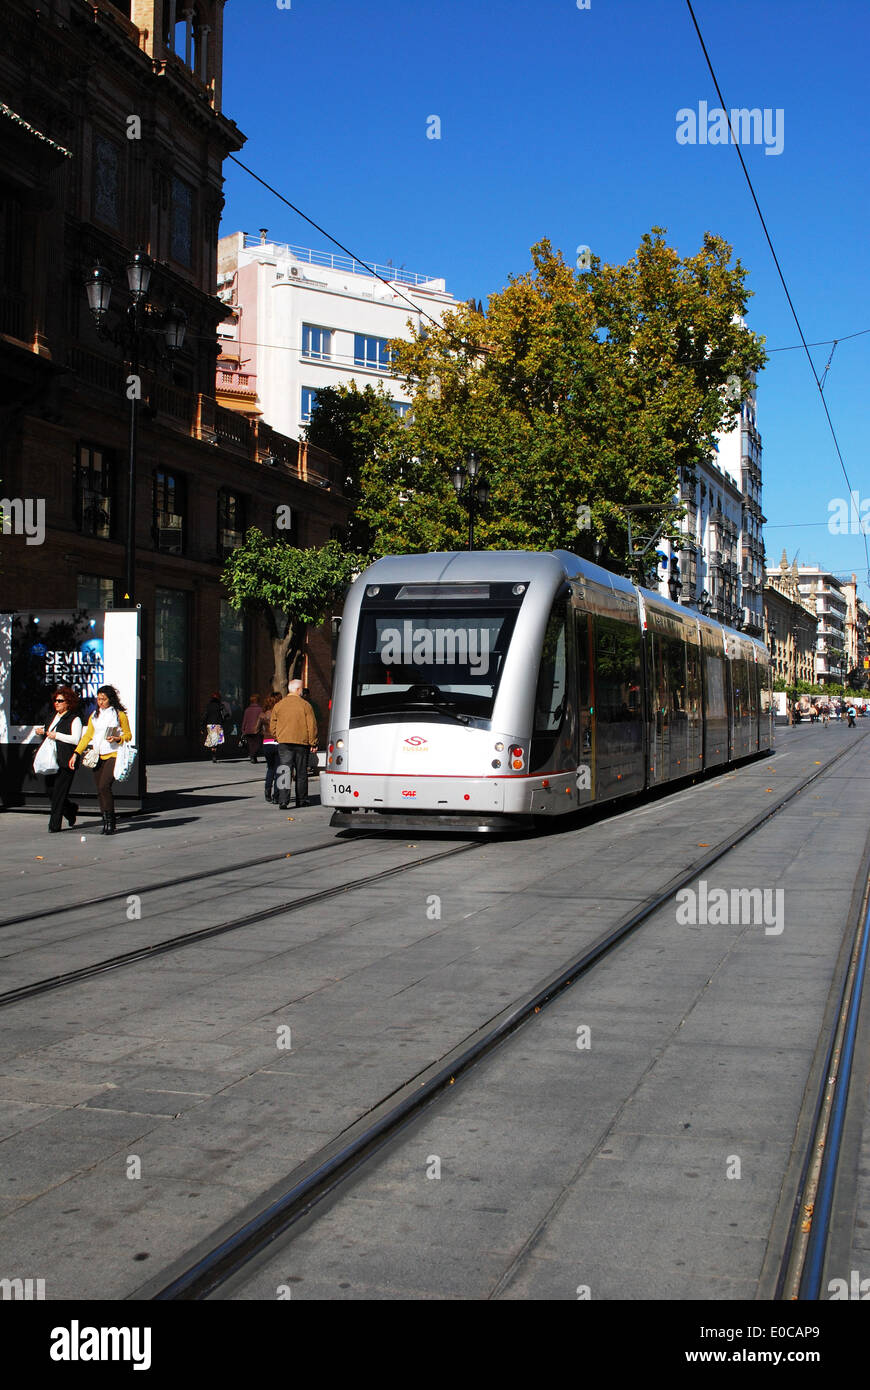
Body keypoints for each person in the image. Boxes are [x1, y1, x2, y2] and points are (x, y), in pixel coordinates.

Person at [69, 683, 132, 835]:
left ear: (110, 699)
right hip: (98, 755)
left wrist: (118, 738)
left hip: (113, 755)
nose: (100, 702)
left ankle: (110, 822)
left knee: (104, 786)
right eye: (98, 699)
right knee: (100, 790)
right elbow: (88, 736)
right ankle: (106, 820)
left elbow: (128, 735)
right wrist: (76, 753)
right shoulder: (94, 716)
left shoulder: (119, 715)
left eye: (103, 699)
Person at [35, 685, 82, 833]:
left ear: (68, 702)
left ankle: (54, 825)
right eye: (56, 700)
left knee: (59, 794)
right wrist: (41, 732)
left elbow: (76, 739)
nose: (57, 703)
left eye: (60, 701)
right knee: (50, 790)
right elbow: (47, 733)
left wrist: (57, 735)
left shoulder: (74, 719)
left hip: (66, 760)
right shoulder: (51, 716)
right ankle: (70, 809)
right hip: (51, 759)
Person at [271, 679, 318, 809]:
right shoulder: (305, 705)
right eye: (302, 689)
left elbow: (273, 724)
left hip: (284, 742)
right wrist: (313, 742)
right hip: (301, 743)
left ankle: (283, 800)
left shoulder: (279, 705)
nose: (302, 691)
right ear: (298, 690)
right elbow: (312, 725)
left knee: (284, 770)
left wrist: (277, 736)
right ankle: (301, 799)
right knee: (301, 771)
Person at [258, 693, 280, 802]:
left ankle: (267, 792)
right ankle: (276, 795)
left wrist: (264, 732)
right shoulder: (279, 713)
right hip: (277, 742)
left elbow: (255, 729)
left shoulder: (262, 715)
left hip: (266, 743)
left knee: (270, 768)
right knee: (278, 770)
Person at [302, 685, 322, 776]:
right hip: (305, 731)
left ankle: (307, 766)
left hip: (307, 731)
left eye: (306, 694)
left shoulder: (312, 705)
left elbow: (318, 718)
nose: (305, 696)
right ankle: (307, 766)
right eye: (304, 694)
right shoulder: (309, 705)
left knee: (309, 751)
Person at [201, 692, 225, 763]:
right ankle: (214, 753)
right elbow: (224, 715)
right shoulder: (220, 706)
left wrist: (202, 727)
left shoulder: (208, 706)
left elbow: (205, 716)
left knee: (212, 740)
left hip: (210, 725)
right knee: (217, 740)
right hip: (218, 724)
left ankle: (213, 753)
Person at [241, 693, 264, 762]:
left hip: (248, 730)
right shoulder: (260, 709)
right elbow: (262, 720)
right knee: (258, 744)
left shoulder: (247, 710)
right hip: (257, 730)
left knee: (251, 744)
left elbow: (245, 720)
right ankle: (253, 755)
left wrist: (243, 729)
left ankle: (253, 756)